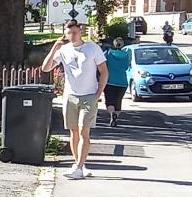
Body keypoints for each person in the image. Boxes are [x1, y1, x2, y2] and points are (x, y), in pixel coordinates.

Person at [42, 20, 107, 180]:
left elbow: (104, 71)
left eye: (75, 32)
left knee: (84, 131)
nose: (72, 35)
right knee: (73, 132)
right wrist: (53, 49)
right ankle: (80, 164)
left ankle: (78, 167)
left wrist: (99, 92)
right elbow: (45, 68)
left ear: (81, 31)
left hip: (88, 95)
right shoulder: (64, 50)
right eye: (69, 33)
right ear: (65, 33)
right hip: (70, 95)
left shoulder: (92, 48)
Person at [103, 38, 131, 128]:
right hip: (122, 82)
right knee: (118, 101)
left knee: (109, 101)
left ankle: (112, 114)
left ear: (114, 44)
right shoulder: (126, 54)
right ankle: (115, 116)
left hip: (109, 81)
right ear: (122, 45)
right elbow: (127, 67)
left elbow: (102, 64)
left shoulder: (108, 53)